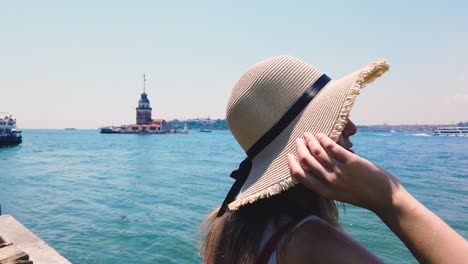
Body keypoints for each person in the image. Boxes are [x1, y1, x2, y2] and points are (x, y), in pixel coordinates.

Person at [198, 55, 468, 264]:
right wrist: (389, 197)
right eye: (334, 118)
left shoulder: (226, 227)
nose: (351, 127)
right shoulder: (310, 240)